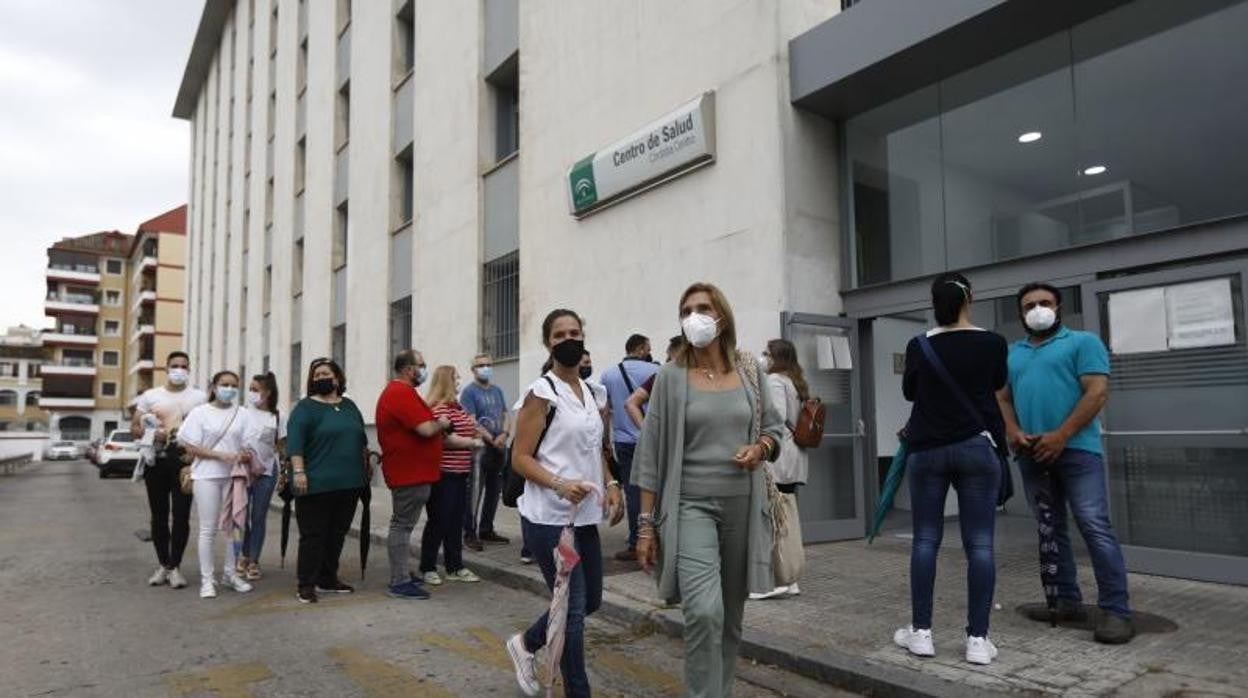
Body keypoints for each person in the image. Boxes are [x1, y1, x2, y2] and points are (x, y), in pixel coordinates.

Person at [635, 283, 784, 697]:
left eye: (702, 307)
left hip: (743, 504)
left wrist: (761, 448)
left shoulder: (749, 369)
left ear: (721, 314)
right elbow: (650, 454)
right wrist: (646, 526)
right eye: (685, 310)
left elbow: (774, 430)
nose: (693, 316)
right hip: (690, 505)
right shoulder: (670, 375)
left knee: (731, 618)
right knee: (704, 611)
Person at [997, 282, 1134, 644]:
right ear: (1020, 314)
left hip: (1077, 451)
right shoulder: (1012, 353)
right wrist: (1013, 431)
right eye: (1029, 305)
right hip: (1031, 453)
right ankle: (1065, 600)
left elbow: (1096, 392)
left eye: (1044, 302)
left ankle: (1117, 611)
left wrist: (1061, 435)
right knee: (1049, 527)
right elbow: (1003, 399)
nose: (1037, 309)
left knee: (1093, 524)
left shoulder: (1083, 343)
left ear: (1058, 307)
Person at [504, 309, 623, 698]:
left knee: (589, 602)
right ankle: (578, 691)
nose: (568, 339)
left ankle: (525, 643)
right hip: (547, 519)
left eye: (574, 332)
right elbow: (520, 458)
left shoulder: (592, 392)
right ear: (548, 343)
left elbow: (598, 449)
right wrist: (559, 483)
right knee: (572, 614)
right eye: (559, 334)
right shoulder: (542, 393)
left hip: (583, 517)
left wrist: (612, 483)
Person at [894, 272, 1007, 666]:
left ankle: (921, 633)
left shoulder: (919, 345)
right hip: (976, 448)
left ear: (933, 302)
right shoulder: (993, 342)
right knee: (979, 544)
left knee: (925, 540)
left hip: (927, 450)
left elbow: (910, 392)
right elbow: (997, 384)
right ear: (969, 298)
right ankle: (978, 639)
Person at [287, 358, 369, 604]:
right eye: (316, 375)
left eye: (326, 373)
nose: (321, 378)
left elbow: (361, 439)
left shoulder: (350, 406)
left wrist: (366, 464)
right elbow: (295, 444)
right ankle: (306, 583)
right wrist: (299, 472)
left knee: (337, 534)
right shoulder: (304, 408)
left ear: (337, 378)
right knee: (313, 536)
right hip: (314, 484)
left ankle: (327, 578)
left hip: (350, 483)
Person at [375, 350, 449, 600]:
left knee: (404, 525)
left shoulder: (404, 393)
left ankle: (403, 573)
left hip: (415, 471)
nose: (424, 370)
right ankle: (399, 581)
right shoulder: (400, 393)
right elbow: (426, 429)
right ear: (409, 369)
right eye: (422, 365)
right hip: (409, 473)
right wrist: (443, 423)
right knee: (402, 526)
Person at [132, 351, 207, 590]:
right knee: (159, 516)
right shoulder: (150, 396)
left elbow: (208, 428)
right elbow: (134, 427)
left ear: (189, 369)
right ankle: (163, 564)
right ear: (166, 368)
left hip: (185, 462)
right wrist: (152, 432)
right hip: (157, 460)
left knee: (182, 516)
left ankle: (175, 567)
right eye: (174, 365)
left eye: (184, 366)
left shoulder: (200, 397)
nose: (179, 370)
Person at [177, 370, 255, 599]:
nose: (229, 389)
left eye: (233, 385)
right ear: (213, 386)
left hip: (234, 476)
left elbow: (248, 444)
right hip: (207, 476)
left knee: (233, 528)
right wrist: (223, 456)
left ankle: (231, 575)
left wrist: (245, 455)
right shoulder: (200, 413)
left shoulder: (243, 413)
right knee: (208, 529)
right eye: (224, 384)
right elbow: (190, 446)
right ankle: (207, 580)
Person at [750, 338, 812, 600]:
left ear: (778, 358)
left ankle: (780, 578)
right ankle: (790, 578)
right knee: (787, 512)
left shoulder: (775, 382)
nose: (763, 357)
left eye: (767, 353)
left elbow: (775, 419)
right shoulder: (795, 381)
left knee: (776, 516)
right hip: (794, 456)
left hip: (780, 457)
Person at [419, 366, 486, 586]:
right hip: (443, 474)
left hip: (461, 473)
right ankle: (427, 566)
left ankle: (455, 566)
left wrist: (474, 430)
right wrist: (472, 442)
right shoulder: (439, 410)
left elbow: (469, 428)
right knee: (439, 520)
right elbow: (445, 439)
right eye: (455, 378)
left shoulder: (458, 407)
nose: (459, 382)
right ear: (446, 382)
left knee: (456, 522)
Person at [601, 334, 659, 562]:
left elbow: (605, 411)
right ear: (642, 348)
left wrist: (605, 440)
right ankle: (658, 538)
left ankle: (636, 540)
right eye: (648, 347)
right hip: (652, 439)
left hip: (624, 441)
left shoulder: (608, 374)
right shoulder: (657, 371)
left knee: (634, 491)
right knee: (657, 489)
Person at [460, 353, 513, 552]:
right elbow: (471, 421)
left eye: (488, 364)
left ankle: (486, 529)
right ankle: (470, 533)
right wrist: (492, 439)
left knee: (494, 490)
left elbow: (506, 414)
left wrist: (505, 434)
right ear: (473, 370)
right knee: (474, 491)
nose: (485, 368)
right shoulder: (469, 392)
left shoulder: (497, 390)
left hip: (500, 447)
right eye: (481, 365)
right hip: (481, 449)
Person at [238, 372, 286, 581]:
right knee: (242, 516)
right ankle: (244, 555)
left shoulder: (278, 416)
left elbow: (282, 447)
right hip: (242, 471)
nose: (251, 393)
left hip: (267, 472)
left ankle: (254, 560)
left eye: (255, 389)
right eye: (250, 389)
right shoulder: (241, 413)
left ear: (268, 392)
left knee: (258, 516)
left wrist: (285, 473)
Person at [624, 335, 683, 429]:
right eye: (649, 350)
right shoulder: (661, 373)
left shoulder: (608, 374)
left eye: (669, 357)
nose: (667, 361)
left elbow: (630, 403)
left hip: (624, 436)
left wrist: (646, 433)